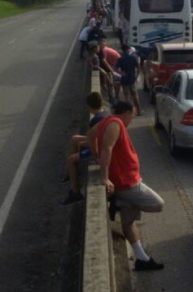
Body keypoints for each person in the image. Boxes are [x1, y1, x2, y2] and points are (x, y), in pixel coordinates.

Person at [94, 101, 165, 271]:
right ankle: (119, 202)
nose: (132, 119)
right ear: (126, 113)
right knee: (158, 204)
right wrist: (105, 177)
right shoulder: (115, 124)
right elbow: (106, 148)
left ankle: (142, 259)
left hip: (125, 181)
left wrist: (97, 159)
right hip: (127, 184)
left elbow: (91, 138)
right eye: (132, 115)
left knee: (129, 222)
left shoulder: (106, 121)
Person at [60, 92, 108, 205]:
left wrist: (95, 155)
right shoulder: (105, 114)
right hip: (103, 145)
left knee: (71, 159)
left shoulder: (94, 121)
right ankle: (72, 173)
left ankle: (75, 191)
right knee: (74, 139)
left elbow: (93, 141)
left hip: (99, 150)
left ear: (89, 106)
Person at [115, 45, 142, 116]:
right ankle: (139, 111)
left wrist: (121, 73)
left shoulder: (121, 59)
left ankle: (129, 112)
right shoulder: (133, 58)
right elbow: (138, 66)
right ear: (128, 50)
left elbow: (115, 68)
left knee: (127, 97)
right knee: (135, 96)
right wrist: (137, 75)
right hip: (132, 79)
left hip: (124, 80)